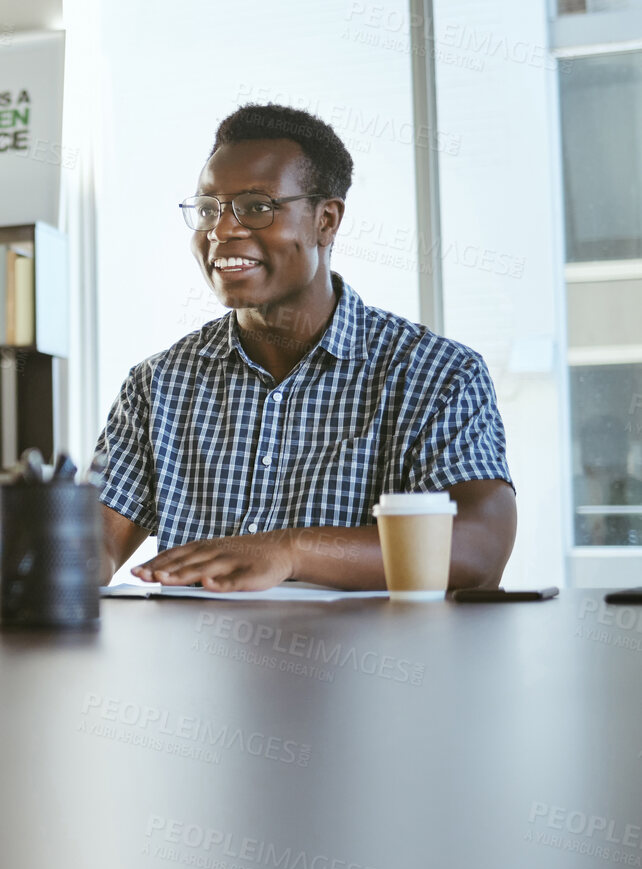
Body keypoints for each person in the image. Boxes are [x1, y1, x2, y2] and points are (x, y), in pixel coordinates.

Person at [93, 103, 516, 591]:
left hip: (369, 665)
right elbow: (92, 546)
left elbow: (478, 549)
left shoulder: (437, 374)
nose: (222, 230)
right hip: (191, 663)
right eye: (208, 209)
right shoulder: (158, 384)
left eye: (256, 206)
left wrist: (289, 550)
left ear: (326, 221)